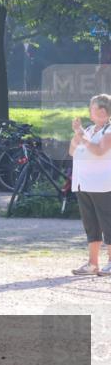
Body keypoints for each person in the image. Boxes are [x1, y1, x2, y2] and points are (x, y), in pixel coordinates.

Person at [69, 94, 111, 276]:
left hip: (102, 185)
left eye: (91, 108)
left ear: (102, 111)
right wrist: (77, 136)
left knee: (108, 223)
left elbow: (100, 151)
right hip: (83, 184)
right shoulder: (89, 129)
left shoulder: (109, 130)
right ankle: (92, 263)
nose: (89, 111)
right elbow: (71, 151)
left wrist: (82, 138)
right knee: (91, 225)